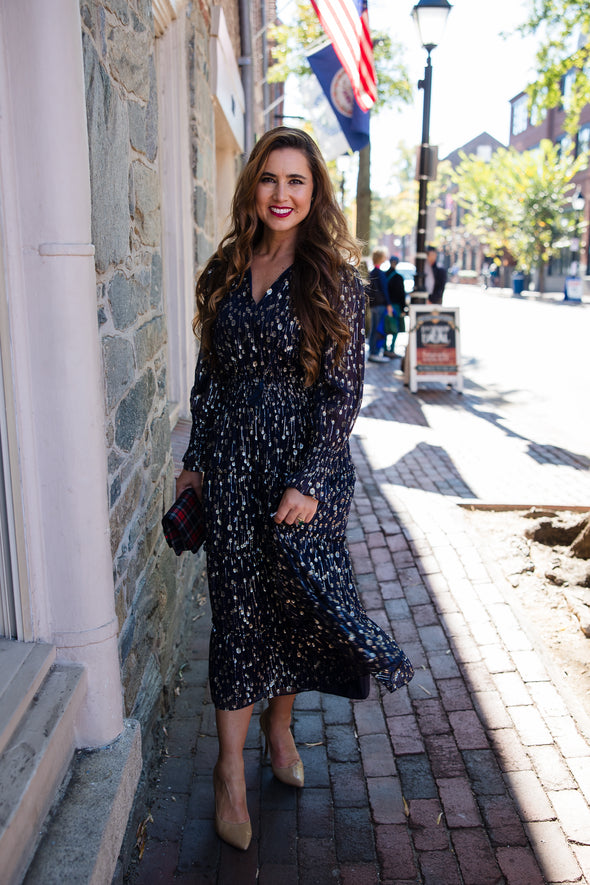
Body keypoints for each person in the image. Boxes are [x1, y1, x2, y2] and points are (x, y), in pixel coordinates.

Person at [175, 127, 413, 852]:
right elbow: (210, 377)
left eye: (297, 181)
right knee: (239, 616)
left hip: (305, 476)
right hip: (234, 470)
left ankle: (279, 729)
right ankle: (228, 773)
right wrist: (194, 460)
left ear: (315, 194)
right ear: (253, 186)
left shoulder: (334, 276)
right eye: (271, 179)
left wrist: (309, 481)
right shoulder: (224, 269)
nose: (283, 194)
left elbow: (343, 393)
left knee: (295, 610)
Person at [366, 248, 392, 362]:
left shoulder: (371, 273)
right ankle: (375, 352)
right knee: (378, 329)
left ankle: (373, 351)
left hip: (373, 305)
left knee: (373, 329)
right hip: (380, 305)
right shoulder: (380, 273)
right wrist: (388, 304)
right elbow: (384, 290)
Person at [384, 255, 407, 358]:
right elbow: (402, 294)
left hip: (385, 305)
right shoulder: (398, 277)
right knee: (395, 329)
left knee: (386, 327)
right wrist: (403, 308)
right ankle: (391, 349)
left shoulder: (384, 275)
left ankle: (385, 348)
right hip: (396, 306)